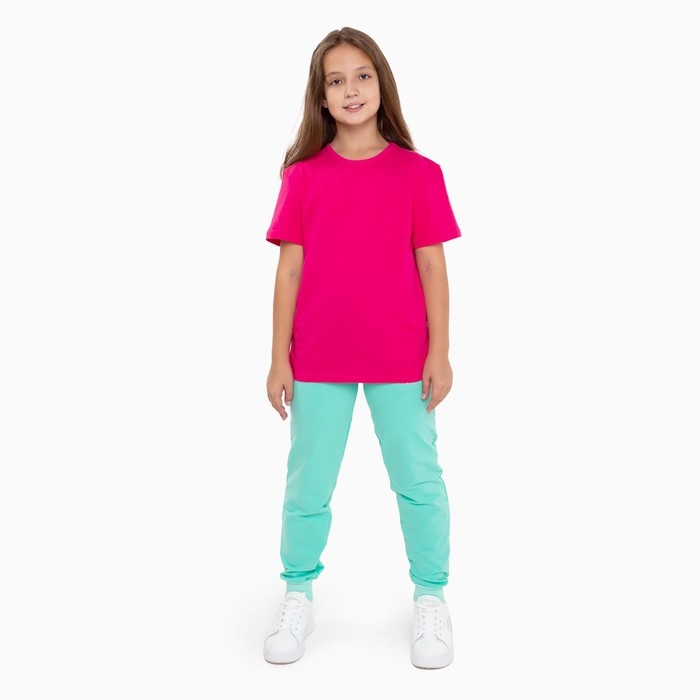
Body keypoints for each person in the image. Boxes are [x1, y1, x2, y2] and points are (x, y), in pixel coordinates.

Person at [262, 26, 461, 669]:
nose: (351, 89)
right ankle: (298, 592)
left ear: (382, 84)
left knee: (418, 481)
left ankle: (430, 597)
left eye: (362, 76)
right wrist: (278, 357)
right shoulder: (303, 177)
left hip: (402, 357)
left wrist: (440, 351)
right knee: (308, 484)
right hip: (319, 356)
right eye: (336, 80)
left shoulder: (419, 174)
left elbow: (432, 266)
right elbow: (289, 271)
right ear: (321, 97)